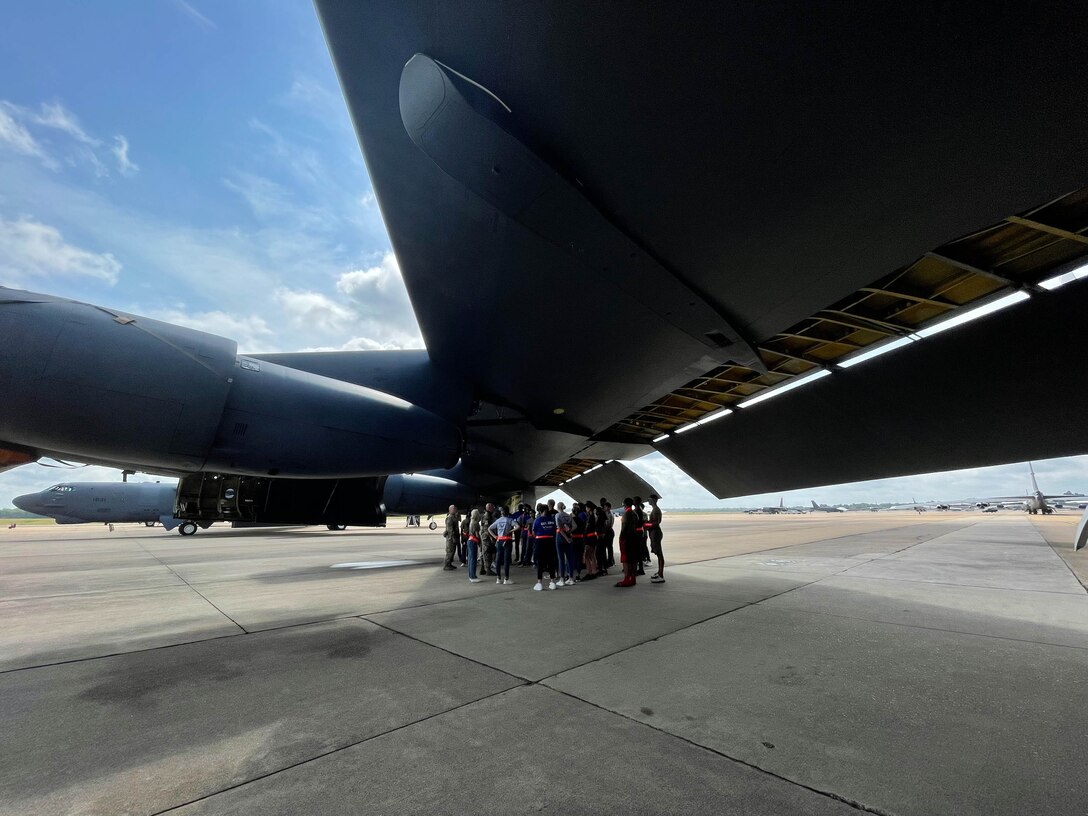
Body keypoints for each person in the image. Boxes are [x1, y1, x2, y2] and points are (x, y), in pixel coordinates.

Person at [532, 502, 559, 590]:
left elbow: (534, 531)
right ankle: (552, 582)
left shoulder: (538, 520)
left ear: (541, 511)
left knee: (540, 562)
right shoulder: (552, 519)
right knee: (551, 561)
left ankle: (539, 583)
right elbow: (555, 530)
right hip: (550, 541)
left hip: (540, 541)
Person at [488, 505, 518, 585]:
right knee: (506, 560)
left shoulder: (498, 520)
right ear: (508, 512)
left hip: (499, 540)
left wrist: (495, 536)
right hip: (507, 541)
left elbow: (489, 528)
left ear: (501, 513)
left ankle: (498, 578)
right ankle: (506, 579)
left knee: (498, 559)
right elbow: (518, 527)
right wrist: (511, 530)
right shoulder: (509, 520)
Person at [616, 497, 640, 587]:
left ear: (625, 505)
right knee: (633, 559)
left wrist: (621, 539)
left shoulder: (626, 514)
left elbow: (624, 529)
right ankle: (633, 578)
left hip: (627, 539)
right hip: (635, 538)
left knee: (626, 559)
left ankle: (627, 579)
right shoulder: (635, 514)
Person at [647, 493, 665, 583]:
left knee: (659, 554)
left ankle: (661, 575)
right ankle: (659, 572)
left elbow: (655, 523)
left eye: (649, 499)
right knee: (658, 554)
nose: (648, 500)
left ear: (653, 500)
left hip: (656, 533)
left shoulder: (656, 510)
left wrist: (645, 524)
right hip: (654, 533)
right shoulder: (654, 510)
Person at [555, 502, 574, 585]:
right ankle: (571, 578)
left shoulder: (557, 515)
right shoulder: (568, 515)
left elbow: (559, 528)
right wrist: (569, 532)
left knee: (561, 559)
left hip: (560, 537)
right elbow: (575, 526)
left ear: (558, 507)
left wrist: (566, 538)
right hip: (568, 536)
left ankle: (562, 579)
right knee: (570, 558)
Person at [466, 507, 483, 583]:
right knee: (473, 560)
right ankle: (473, 576)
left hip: (470, 540)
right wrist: (480, 542)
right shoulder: (476, 523)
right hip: (473, 541)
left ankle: (471, 575)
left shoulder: (471, 522)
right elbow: (477, 534)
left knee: (470, 559)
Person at [442, 504, 460, 570]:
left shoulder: (454, 517)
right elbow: (450, 529)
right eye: (454, 509)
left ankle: (449, 564)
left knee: (452, 551)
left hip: (453, 537)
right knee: (450, 551)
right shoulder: (450, 518)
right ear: (450, 510)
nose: (456, 510)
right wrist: (453, 538)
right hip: (451, 538)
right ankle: (446, 565)